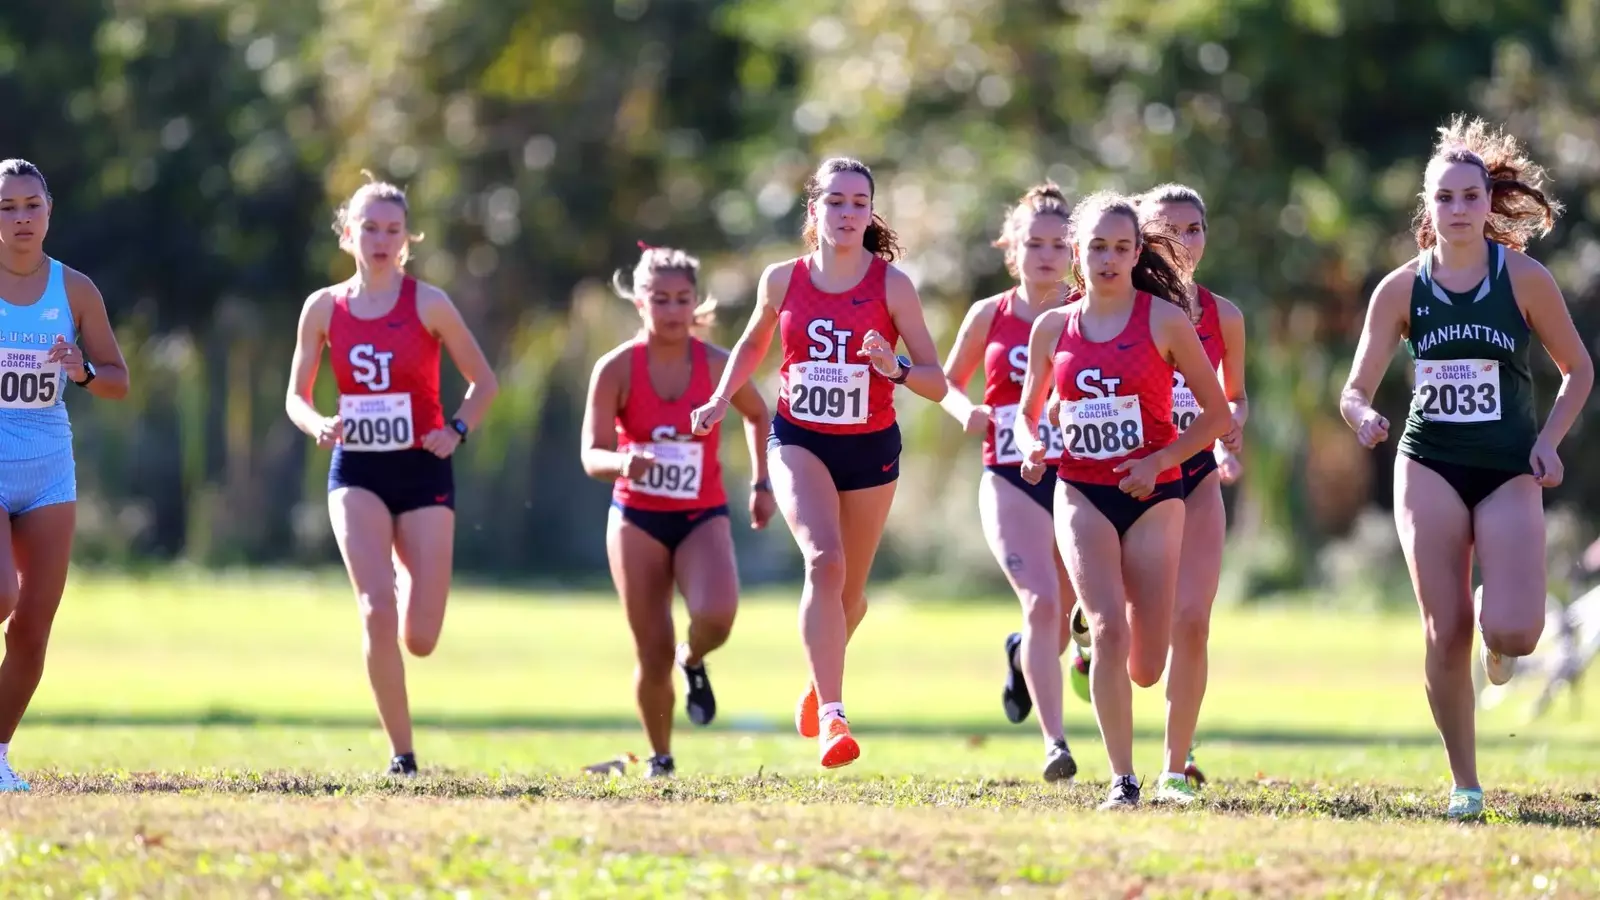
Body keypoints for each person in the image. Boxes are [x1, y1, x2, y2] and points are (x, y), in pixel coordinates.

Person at [1338, 116, 1591, 818]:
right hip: (1430, 464)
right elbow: (1354, 388)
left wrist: (1550, 442)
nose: (1457, 209)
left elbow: (1578, 371)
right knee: (1441, 628)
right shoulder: (1400, 289)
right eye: (1444, 198)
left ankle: (1494, 617)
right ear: (1429, 208)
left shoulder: (1525, 280)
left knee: (1516, 634)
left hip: (1509, 466)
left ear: (1488, 203)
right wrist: (1362, 416)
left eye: (1469, 196)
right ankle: (1465, 784)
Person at [689, 157, 945, 769]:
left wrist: (898, 369)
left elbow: (935, 381)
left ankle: (817, 682)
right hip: (800, 438)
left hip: (871, 447)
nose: (848, 213)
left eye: (859, 203)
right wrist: (720, 398)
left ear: (870, 212)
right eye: (835, 202)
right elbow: (753, 342)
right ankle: (834, 716)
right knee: (823, 562)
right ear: (815, 211)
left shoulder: (892, 286)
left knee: (850, 598)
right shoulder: (783, 280)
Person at [1014, 191, 1230, 809]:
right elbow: (1027, 414)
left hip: (1156, 494)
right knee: (1110, 630)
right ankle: (1123, 780)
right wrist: (1034, 446)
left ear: (1138, 255)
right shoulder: (1052, 328)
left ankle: (1099, 639)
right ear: (1077, 254)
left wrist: (1159, 460)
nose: (1109, 258)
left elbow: (1215, 416)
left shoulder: (1164, 321)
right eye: (1098, 247)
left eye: (1122, 247)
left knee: (1147, 664)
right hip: (1081, 489)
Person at [285, 172, 499, 777]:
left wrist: (454, 429)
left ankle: (406, 580)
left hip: (423, 468)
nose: (381, 240)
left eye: (393, 230)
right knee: (375, 607)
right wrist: (316, 423)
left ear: (407, 239)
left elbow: (484, 382)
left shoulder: (428, 303)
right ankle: (401, 755)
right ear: (348, 234)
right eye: (369, 228)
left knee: (421, 637)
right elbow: (295, 396)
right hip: (356, 470)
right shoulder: (323, 308)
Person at [581, 242, 776, 778]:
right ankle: (661, 758)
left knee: (716, 615)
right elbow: (590, 454)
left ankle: (695, 660)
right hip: (636, 517)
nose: (671, 311)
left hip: (701, 514)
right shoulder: (616, 368)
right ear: (639, 302)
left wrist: (762, 482)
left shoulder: (716, 364)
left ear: (697, 304)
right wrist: (625, 462)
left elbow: (761, 416)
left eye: (681, 300)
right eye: (660, 299)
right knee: (652, 650)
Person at [938, 183, 1081, 782]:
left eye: (1058, 244)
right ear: (1011, 250)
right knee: (1042, 602)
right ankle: (1055, 744)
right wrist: (963, 409)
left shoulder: (1087, 312)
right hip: (1006, 475)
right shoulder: (989, 315)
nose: (1046, 255)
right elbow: (945, 382)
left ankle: (1022, 656)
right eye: (1034, 244)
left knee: (1069, 611)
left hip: (1075, 479)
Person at [0, 159, 130, 792]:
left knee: (32, 626)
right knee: (1, 593)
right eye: (7, 207)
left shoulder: (74, 290)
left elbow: (118, 380)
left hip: (50, 469)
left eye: (31, 205)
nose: (21, 218)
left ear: (49, 211)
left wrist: (80, 369)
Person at [1136, 184, 1248, 802]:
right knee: (1138, 650)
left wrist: (1230, 438)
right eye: (1170, 229)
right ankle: (1090, 631)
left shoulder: (1225, 316)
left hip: (1198, 475)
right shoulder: (1114, 306)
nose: (1184, 241)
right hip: (1126, 484)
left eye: (1195, 229)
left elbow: (1233, 398)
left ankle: (1174, 769)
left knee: (1194, 621)